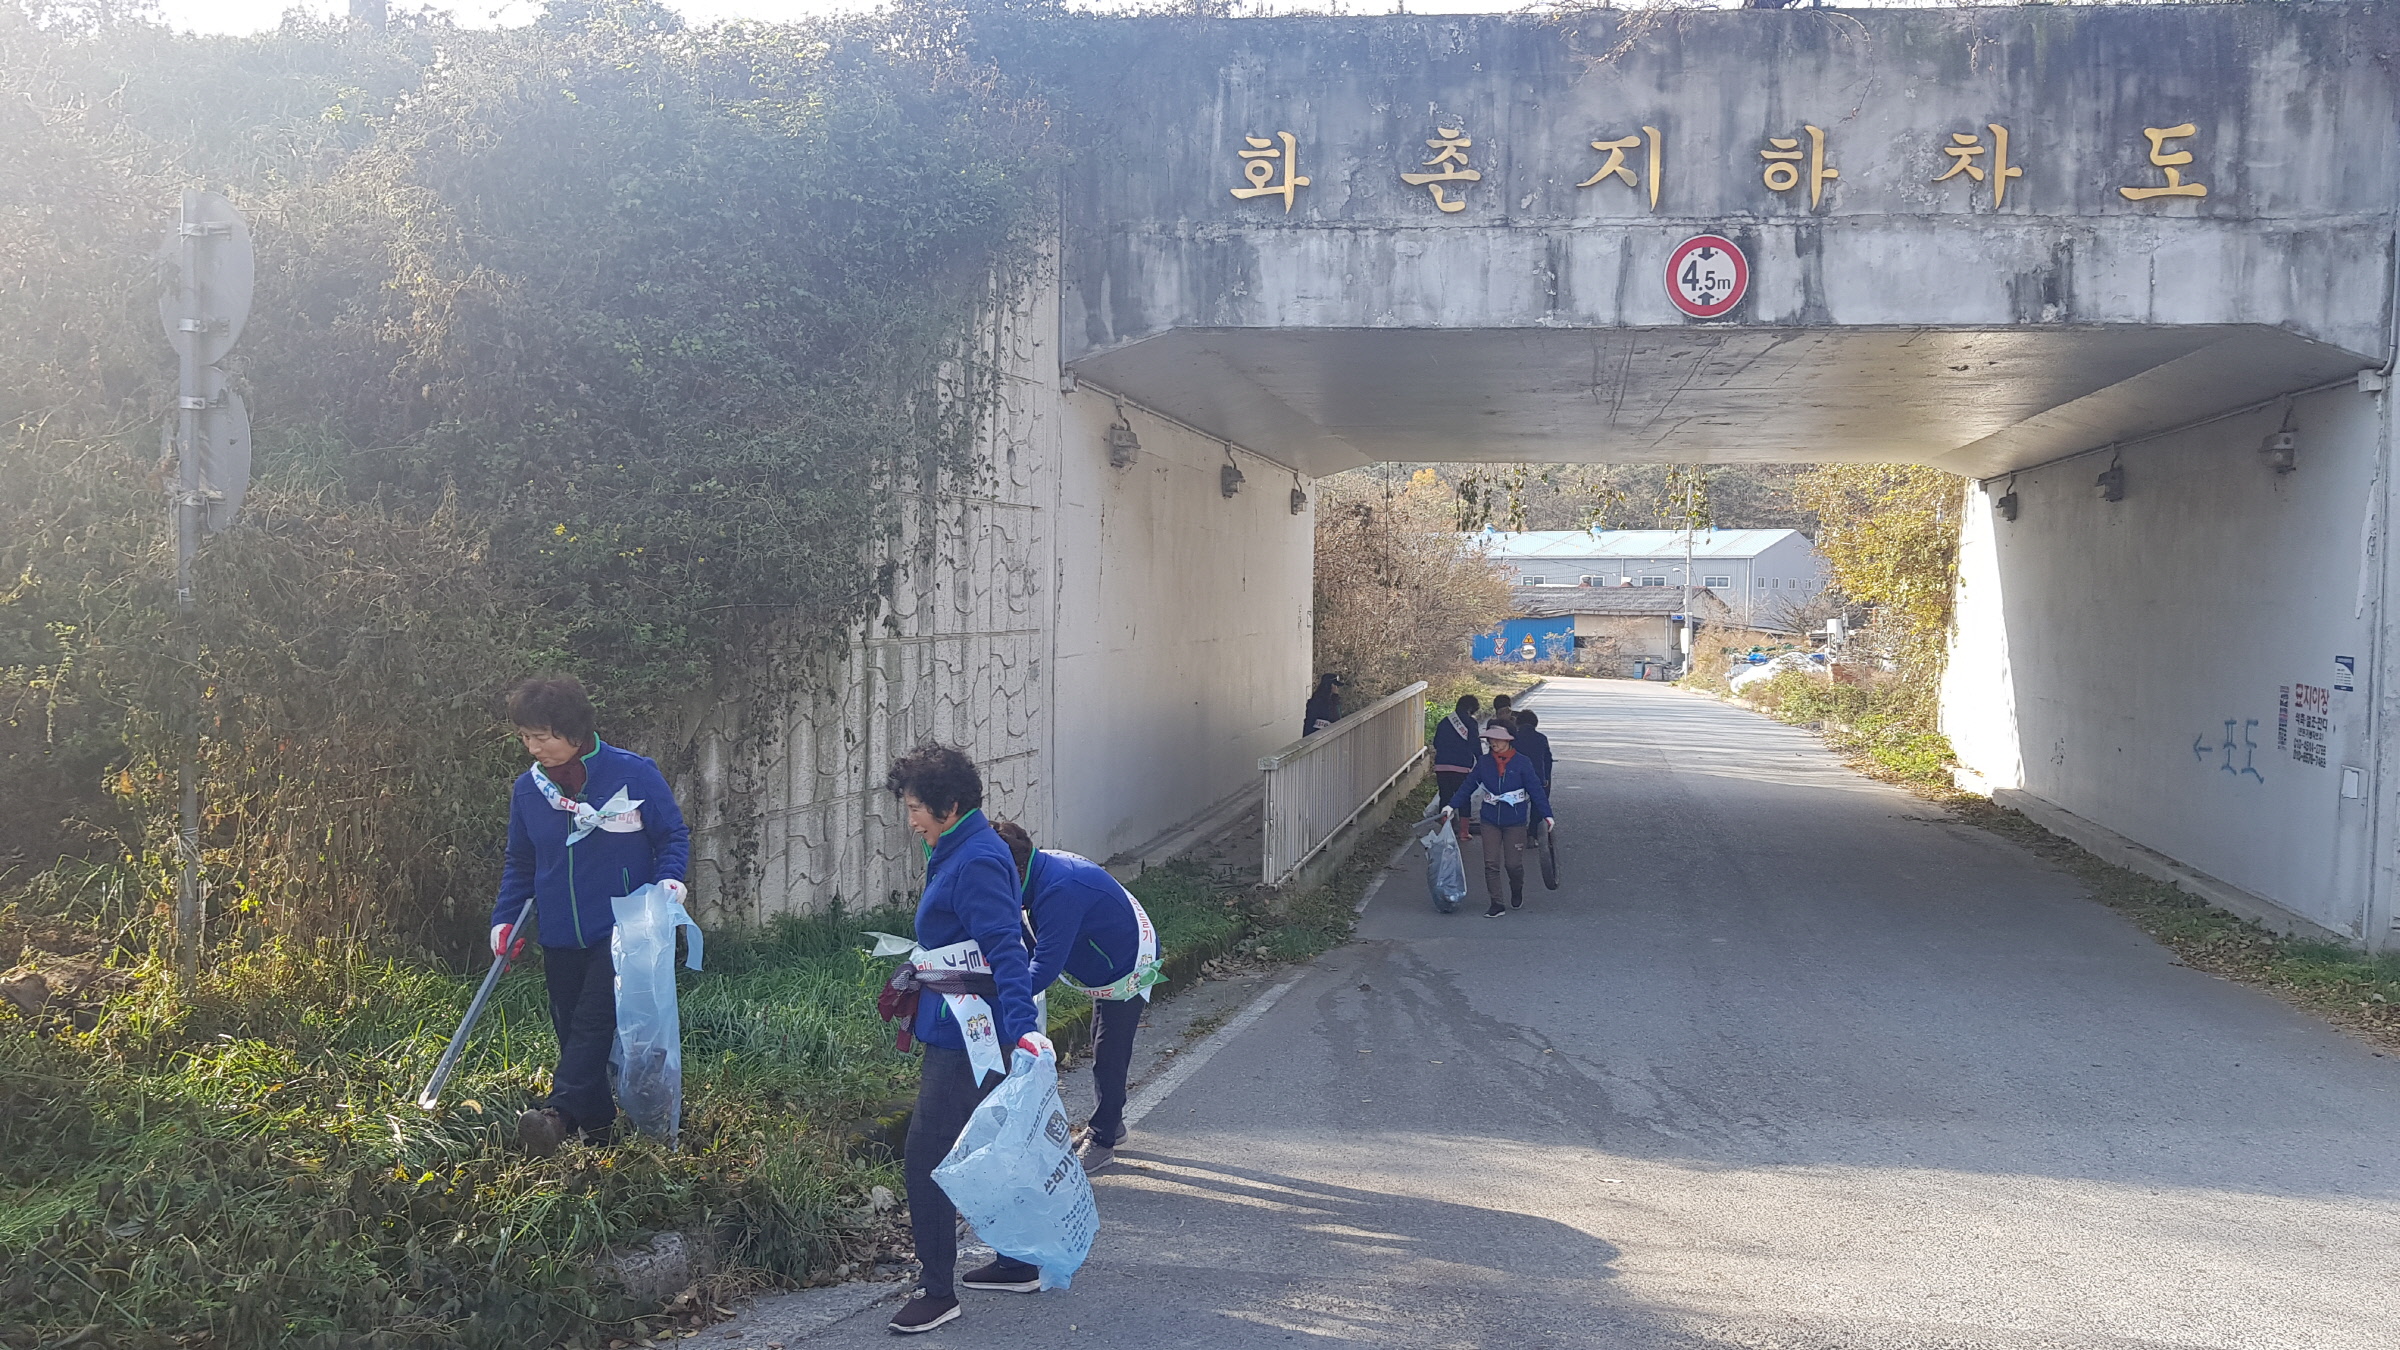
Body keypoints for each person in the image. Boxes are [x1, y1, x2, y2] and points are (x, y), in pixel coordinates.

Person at [879, 744, 1050, 1336]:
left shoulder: (974, 858)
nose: (911, 819)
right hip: (963, 1023)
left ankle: (937, 1290)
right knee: (988, 1145)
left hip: (970, 1034)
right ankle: (1019, 1259)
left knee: (927, 1155)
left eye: (917, 808)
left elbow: (1005, 945)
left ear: (950, 806)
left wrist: (1024, 1031)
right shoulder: (958, 846)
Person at [490, 675, 691, 1157]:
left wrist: (670, 879)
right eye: (525, 737)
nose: (533, 747)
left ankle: (557, 1114)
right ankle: (598, 1134)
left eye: (542, 736)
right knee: (572, 1031)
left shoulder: (633, 773)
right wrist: (505, 918)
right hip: (560, 931)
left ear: (574, 732)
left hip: (623, 928)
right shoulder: (529, 791)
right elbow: (520, 862)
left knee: (593, 1021)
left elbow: (672, 836)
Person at [990, 820, 1163, 1185]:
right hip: (1101, 953)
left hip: (1129, 962)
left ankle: (1103, 1139)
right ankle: (1110, 1123)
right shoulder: (1036, 872)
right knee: (1100, 1037)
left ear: (1014, 870)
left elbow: (1044, 967)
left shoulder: (1059, 890)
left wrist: (1000, 998)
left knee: (1109, 1050)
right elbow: (1024, 934)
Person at [1442, 722, 1553, 918]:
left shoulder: (1522, 762)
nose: (1493, 743)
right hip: (1490, 819)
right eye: (1490, 739)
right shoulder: (1484, 763)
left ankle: (1516, 888)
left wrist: (1547, 815)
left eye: (1497, 739)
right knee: (1490, 863)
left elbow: (1536, 789)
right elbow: (1468, 786)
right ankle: (1497, 903)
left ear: (1509, 740)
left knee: (1513, 865)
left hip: (1516, 820)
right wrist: (1451, 806)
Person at [1430, 695, 1482, 837]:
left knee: (1445, 796)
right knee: (1464, 797)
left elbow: (1436, 743)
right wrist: (1481, 761)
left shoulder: (1444, 722)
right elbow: (1475, 745)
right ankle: (1464, 831)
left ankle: (1445, 830)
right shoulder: (1471, 723)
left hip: (1442, 766)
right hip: (1462, 767)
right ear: (1471, 708)